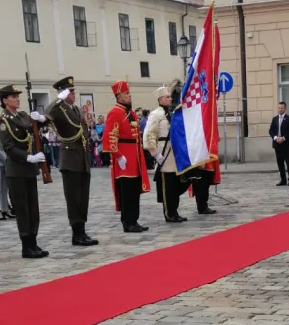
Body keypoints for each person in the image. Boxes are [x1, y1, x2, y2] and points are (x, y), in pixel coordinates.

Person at [45, 76, 97, 247]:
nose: (73, 94)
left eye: (73, 91)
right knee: (73, 197)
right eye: (69, 91)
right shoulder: (60, 109)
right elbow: (48, 114)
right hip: (70, 159)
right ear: (62, 93)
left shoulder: (75, 109)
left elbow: (83, 131)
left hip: (81, 158)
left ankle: (82, 230)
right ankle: (77, 233)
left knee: (83, 197)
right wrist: (57, 100)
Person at [0, 84, 48, 259]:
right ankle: (26, 245)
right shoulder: (3, 120)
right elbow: (8, 146)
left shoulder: (23, 115)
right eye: (13, 97)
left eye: (18, 96)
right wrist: (28, 157)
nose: (17, 99)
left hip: (28, 169)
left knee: (33, 207)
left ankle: (33, 241)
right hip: (17, 168)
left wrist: (41, 119)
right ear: (5, 101)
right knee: (22, 208)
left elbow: (37, 128)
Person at [102, 80, 150, 233]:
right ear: (119, 95)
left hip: (134, 155)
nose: (129, 96)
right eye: (127, 93)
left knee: (134, 190)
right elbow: (110, 136)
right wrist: (118, 156)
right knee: (127, 191)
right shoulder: (115, 112)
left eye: (129, 93)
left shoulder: (130, 112)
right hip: (125, 156)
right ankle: (127, 222)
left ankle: (134, 220)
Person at [144, 85, 188, 224]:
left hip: (174, 154)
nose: (170, 99)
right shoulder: (155, 115)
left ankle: (175, 211)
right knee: (167, 187)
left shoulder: (172, 114)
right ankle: (169, 213)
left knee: (175, 186)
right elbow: (149, 134)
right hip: (164, 154)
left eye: (170, 97)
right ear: (161, 99)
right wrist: (155, 154)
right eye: (168, 97)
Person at [269, 101, 289, 186]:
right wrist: (275, 138)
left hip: (287, 144)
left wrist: (283, 138)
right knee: (280, 163)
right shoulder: (275, 119)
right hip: (277, 144)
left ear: (285, 108)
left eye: (282, 108)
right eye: (279, 108)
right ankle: (283, 179)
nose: (280, 109)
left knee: (288, 163)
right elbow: (271, 131)